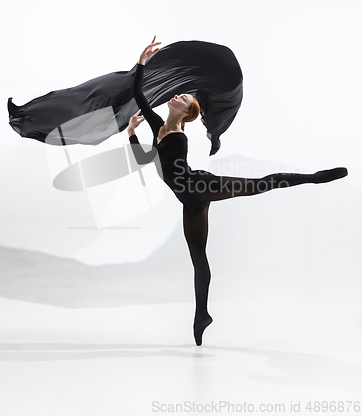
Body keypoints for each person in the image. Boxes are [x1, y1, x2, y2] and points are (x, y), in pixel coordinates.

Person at [127, 36, 348, 346]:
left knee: (261, 185)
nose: (178, 95)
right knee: (198, 256)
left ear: (189, 112)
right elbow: (139, 111)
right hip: (188, 201)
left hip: (199, 186)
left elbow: (161, 161)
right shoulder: (155, 124)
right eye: (180, 94)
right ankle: (202, 315)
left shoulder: (177, 132)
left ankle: (315, 177)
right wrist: (140, 71)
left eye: (185, 98)